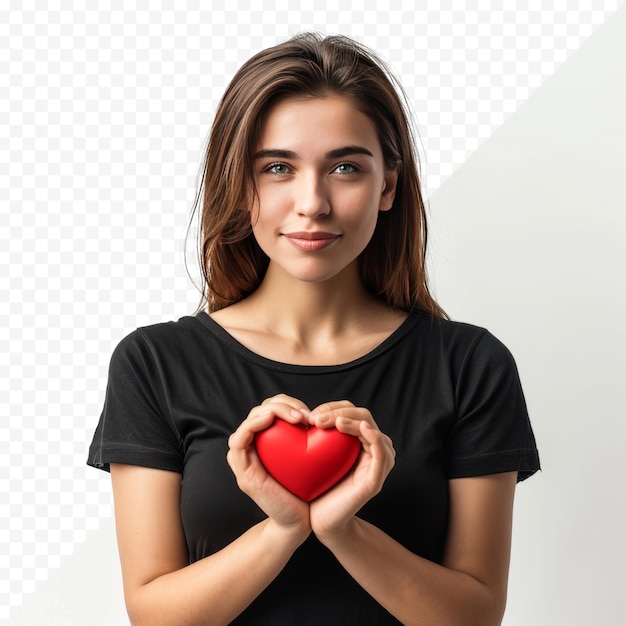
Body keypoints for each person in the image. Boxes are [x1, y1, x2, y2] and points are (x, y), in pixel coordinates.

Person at [88, 32, 540, 625]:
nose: (313, 203)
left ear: (389, 186)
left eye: (346, 168)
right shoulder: (155, 363)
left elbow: (474, 617)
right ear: (239, 185)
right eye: (278, 168)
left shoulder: (470, 365)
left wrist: (342, 529)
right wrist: (283, 527)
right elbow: (155, 616)